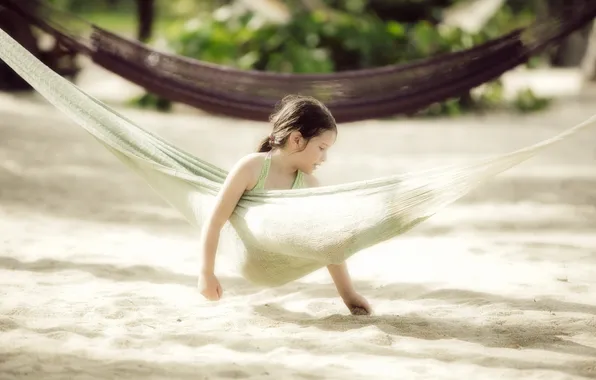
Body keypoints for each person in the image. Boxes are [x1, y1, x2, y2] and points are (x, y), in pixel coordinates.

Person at [197, 94, 372, 315]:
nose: (325, 158)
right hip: (248, 254)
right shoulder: (252, 168)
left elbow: (329, 243)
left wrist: (349, 296)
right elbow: (214, 221)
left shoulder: (309, 186)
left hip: (282, 260)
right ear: (297, 140)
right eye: (321, 148)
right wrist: (206, 273)